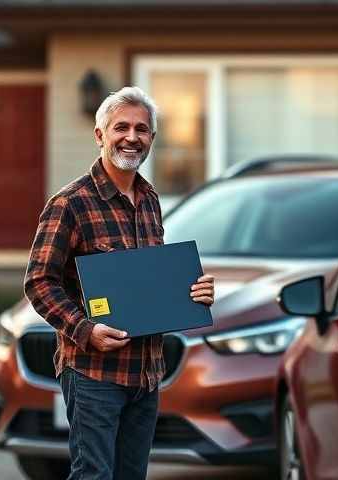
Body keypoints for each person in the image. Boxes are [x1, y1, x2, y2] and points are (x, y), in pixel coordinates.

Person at [24, 86, 214, 480]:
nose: (132, 137)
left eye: (141, 129)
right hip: (93, 373)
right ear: (100, 135)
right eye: (121, 127)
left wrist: (193, 293)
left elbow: (148, 281)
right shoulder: (70, 203)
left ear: (152, 139)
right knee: (94, 475)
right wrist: (85, 329)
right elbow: (39, 282)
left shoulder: (150, 199)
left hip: (146, 373)